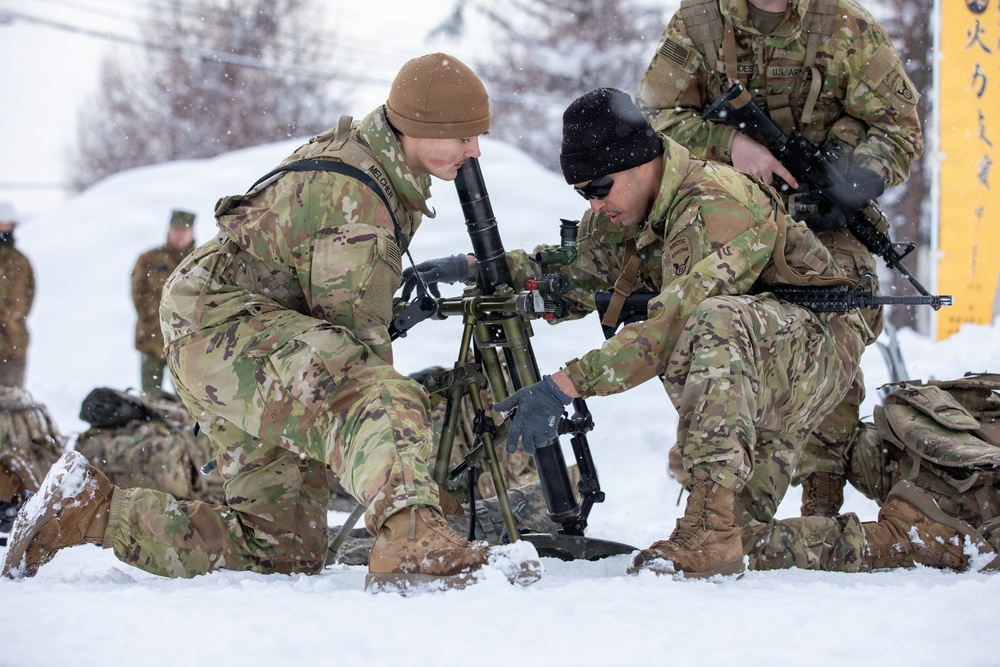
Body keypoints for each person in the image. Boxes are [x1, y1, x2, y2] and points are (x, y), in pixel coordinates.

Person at [2, 53, 540, 591]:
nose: (475, 150)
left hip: (227, 330)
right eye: (464, 136)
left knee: (282, 548)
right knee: (379, 393)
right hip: (223, 326)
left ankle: (85, 510)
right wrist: (406, 489)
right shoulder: (357, 202)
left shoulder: (374, 162)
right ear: (421, 128)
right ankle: (415, 544)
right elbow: (359, 371)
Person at [409, 88, 991, 579]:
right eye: (582, 192)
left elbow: (673, 323)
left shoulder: (716, 202)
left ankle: (707, 525)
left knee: (710, 321)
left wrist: (564, 385)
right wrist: (475, 268)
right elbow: (575, 273)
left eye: (599, 187)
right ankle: (909, 540)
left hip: (811, 351)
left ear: (640, 162)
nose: (593, 203)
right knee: (748, 544)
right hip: (750, 371)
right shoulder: (624, 210)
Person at [634, 0, 924, 518]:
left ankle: (821, 491)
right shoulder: (700, 23)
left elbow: (900, 128)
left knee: (834, 325)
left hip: (828, 224)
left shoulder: (845, 24)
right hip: (729, 213)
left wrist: (859, 178)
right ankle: (716, 495)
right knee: (713, 332)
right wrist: (730, 143)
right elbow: (654, 119)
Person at [131, 210, 196, 398]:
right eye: (176, 229)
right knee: (151, 397)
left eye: (184, 230)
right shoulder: (149, 259)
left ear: (192, 232)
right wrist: (152, 317)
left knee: (188, 398)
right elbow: (137, 293)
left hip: (187, 341)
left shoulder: (200, 260)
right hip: (152, 337)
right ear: (169, 230)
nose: (179, 234)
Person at [0, 202, 35, 388]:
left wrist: (14, 319)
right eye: (1, 224)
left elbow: (29, 294)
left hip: (15, 341)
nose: (4, 228)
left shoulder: (21, 260)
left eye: (8, 224)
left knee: (13, 395)